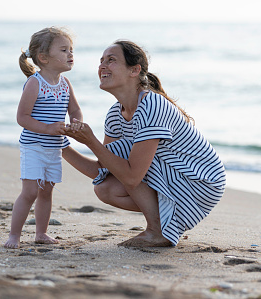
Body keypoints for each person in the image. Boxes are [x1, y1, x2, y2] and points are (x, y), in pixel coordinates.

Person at [63, 40, 226, 247]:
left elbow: (131, 177)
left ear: (134, 70)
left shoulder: (152, 105)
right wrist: (61, 146)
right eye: (101, 61)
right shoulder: (115, 114)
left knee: (127, 162)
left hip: (200, 181)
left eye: (111, 60)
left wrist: (91, 142)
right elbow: (103, 169)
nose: (102, 66)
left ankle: (157, 230)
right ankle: (162, 225)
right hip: (170, 176)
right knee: (105, 187)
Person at [4, 27, 83, 249]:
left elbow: (75, 110)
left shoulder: (65, 84)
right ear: (44, 58)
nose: (70, 55)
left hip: (54, 148)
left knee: (46, 191)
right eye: (64, 50)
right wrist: (47, 128)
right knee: (30, 192)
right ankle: (14, 235)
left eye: (71, 50)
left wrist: (76, 123)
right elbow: (22, 117)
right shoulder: (35, 83)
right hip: (34, 146)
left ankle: (41, 233)